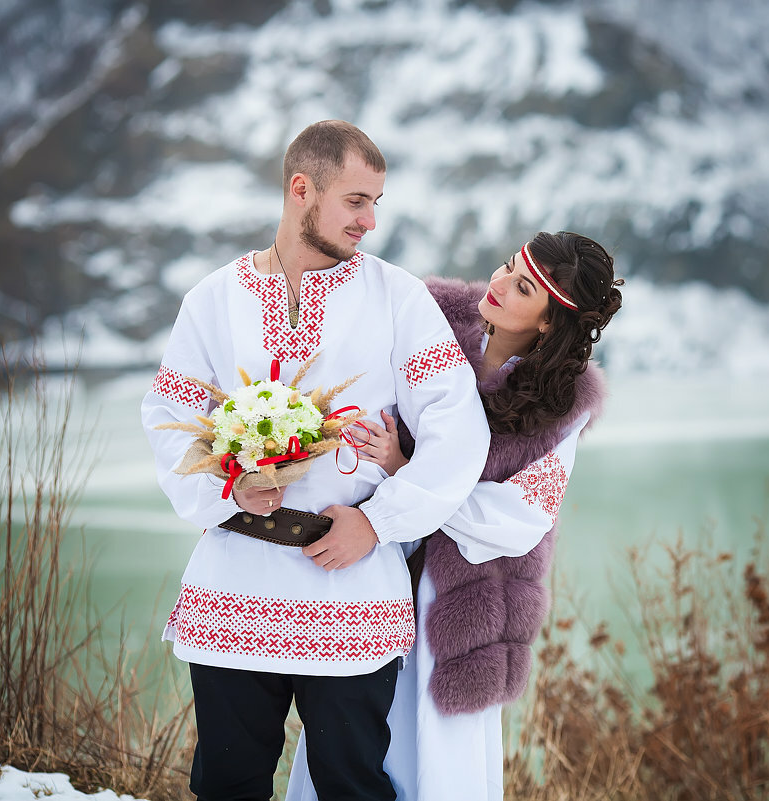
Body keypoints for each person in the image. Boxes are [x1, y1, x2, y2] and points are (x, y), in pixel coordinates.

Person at [141, 120, 490, 801]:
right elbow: (166, 417)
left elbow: (458, 432)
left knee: (352, 786)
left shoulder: (399, 299)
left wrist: (380, 522)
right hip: (234, 582)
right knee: (226, 785)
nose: (370, 220)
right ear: (303, 189)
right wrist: (229, 489)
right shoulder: (213, 299)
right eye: (356, 201)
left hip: (349, 583)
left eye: (376, 203)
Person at [285, 231, 624, 800]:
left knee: (438, 763)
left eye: (522, 288)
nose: (496, 284)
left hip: (464, 603)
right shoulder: (432, 317)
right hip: (374, 569)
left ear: (548, 323)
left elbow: (517, 518)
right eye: (508, 267)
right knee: (343, 745)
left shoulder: (560, 404)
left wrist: (406, 469)